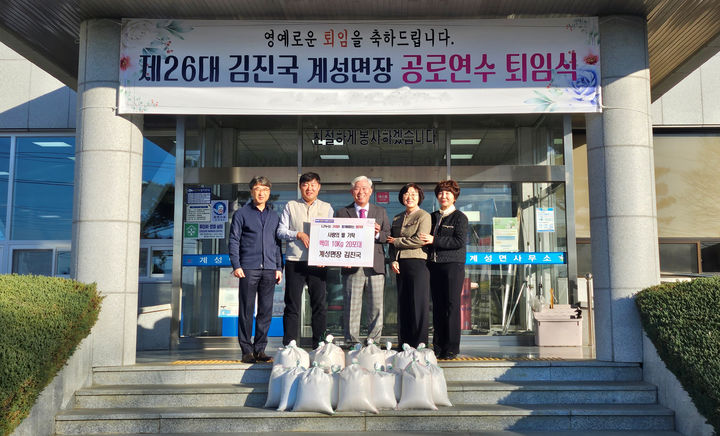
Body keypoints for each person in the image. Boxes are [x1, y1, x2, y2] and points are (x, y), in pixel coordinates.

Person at [228, 176, 283, 364]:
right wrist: (237, 265)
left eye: (265, 189)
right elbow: (234, 240)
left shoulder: (274, 216)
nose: (261, 193)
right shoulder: (241, 214)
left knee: (266, 311)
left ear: (269, 193)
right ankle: (246, 350)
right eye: (258, 189)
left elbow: (277, 244)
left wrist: (278, 267)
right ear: (252, 191)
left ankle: (260, 350)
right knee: (246, 310)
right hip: (248, 268)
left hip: (269, 268)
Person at [277, 172, 333, 349]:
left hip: (318, 262)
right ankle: (290, 344)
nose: (309, 188)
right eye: (305, 185)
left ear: (319, 187)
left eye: (313, 185)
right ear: (300, 187)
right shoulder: (291, 206)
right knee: (292, 303)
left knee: (319, 304)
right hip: (295, 260)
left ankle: (320, 343)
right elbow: (280, 231)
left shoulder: (327, 207)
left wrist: (327, 256)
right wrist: (298, 234)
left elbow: (331, 234)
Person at [335, 175, 390, 347]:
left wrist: (376, 233)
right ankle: (352, 342)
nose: (361, 192)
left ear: (371, 191)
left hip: (375, 265)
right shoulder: (342, 212)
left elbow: (387, 235)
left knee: (376, 307)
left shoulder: (380, 211)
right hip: (352, 266)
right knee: (352, 306)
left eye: (365, 188)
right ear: (352, 192)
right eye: (357, 188)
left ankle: (373, 342)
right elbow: (337, 239)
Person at [420, 179, 468, 360]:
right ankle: (438, 346)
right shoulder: (432, 217)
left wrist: (435, 241)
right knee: (438, 307)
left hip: (452, 266)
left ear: (454, 197)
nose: (444, 196)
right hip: (433, 266)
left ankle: (452, 347)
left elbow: (458, 241)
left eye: (448, 193)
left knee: (451, 306)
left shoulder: (460, 217)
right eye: (441, 193)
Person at [387, 183, 431, 348]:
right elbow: (391, 244)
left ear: (419, 197)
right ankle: (404, 343)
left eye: (413, 194)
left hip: (417, 263)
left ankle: (419, 344)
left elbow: (420, 240)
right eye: (406, 193)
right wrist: (393, 259)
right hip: (400, 265)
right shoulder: (397, 218)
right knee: (403, 304)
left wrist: (397, 241)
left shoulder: (424, 216)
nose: (409, 196)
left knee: (418, 304)